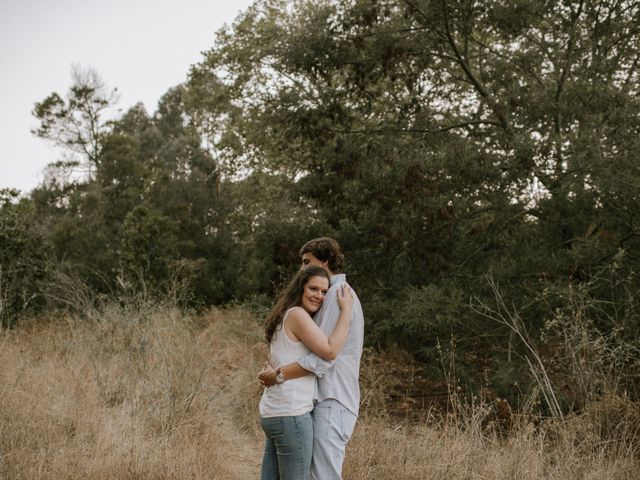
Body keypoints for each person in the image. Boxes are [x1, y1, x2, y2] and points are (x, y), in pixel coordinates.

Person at [259, 237, 364, 480]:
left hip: (333, 398)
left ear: (324, 262)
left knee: (323, 476)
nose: (301, 269)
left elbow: (326, 357)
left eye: (307, 262)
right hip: (320, 399)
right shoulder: (326, 296)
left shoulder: (337, 293)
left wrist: (278, 375)